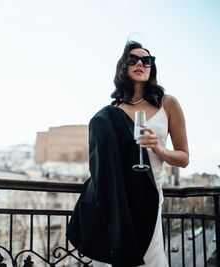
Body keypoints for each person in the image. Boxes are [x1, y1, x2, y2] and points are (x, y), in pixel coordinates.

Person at [66, 41, 189, 267]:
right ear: (123, 67)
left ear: (152, 68)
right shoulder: (113, 112)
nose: (140, 63)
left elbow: (184, 158)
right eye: (133, 60)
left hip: (150, 198)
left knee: (149, 261)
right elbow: (103, 163)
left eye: (146, 60)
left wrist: (159, 149)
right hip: (118, 200)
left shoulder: (168, 103)